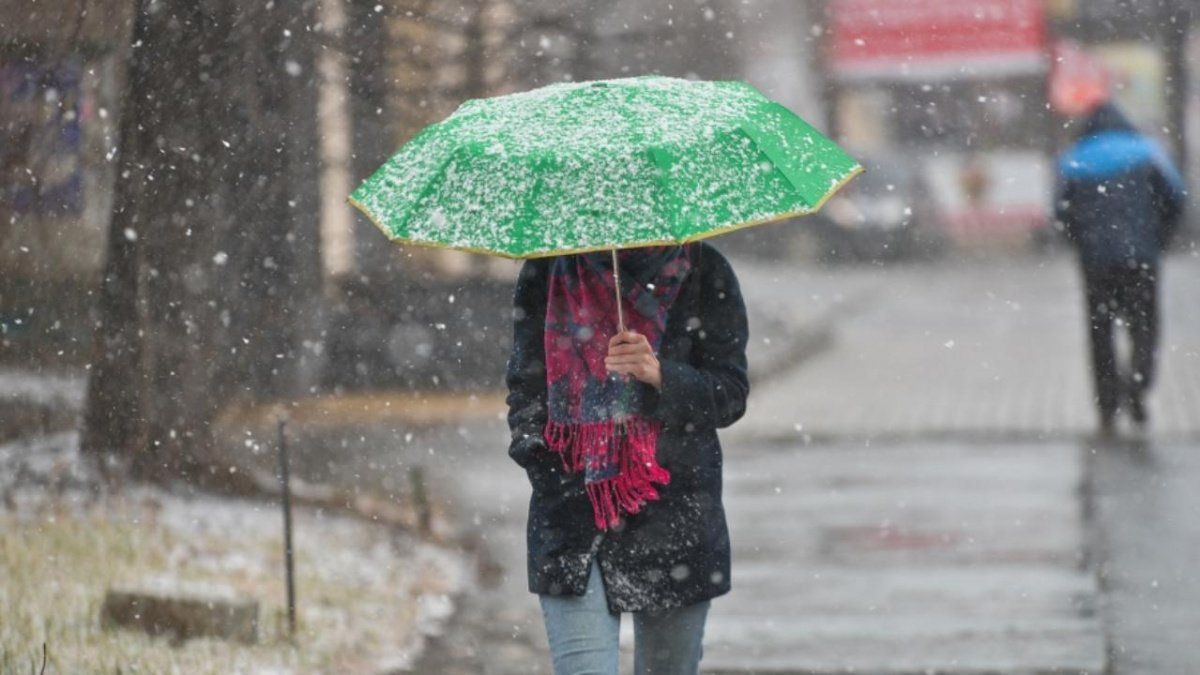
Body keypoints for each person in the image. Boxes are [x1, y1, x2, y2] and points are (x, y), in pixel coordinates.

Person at [505, 242, 749, 674]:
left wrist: (659, 375)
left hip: (674, 515)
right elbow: (526, 389)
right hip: (573, 518)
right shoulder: (549, 269)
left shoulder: (703, 269)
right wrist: (548, 464)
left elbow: (729, 395)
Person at [1054, 102, 1186, 435]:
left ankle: (1107, 406)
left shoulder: (1074, 158)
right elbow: (1176, 197)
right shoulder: (1147, 152)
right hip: (1141, 258)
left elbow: (1060, 211)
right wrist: (1159, 238)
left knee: (1100, 332)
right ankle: (1137, 384)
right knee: (1145, 326)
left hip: (1096, 262)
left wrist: (1081, 243)